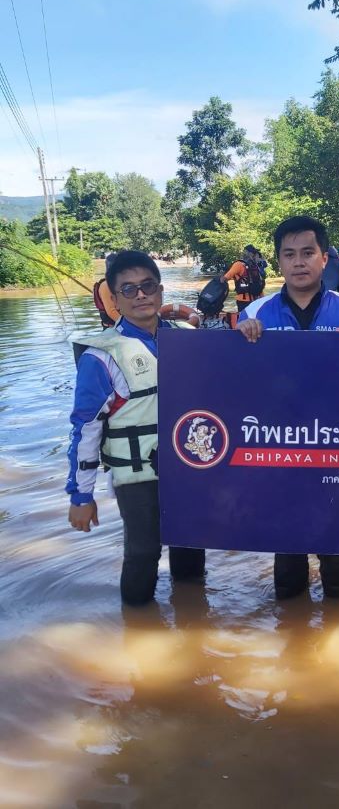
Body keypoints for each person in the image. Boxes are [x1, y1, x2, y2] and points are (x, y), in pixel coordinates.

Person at [237, 215, 339, 600]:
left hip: (335, 447)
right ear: (278, 261)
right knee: (287, 556)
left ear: (324, 259)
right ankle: (292, 628)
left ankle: (338, 630)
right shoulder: (253, 316)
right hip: (278, 450)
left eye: (308, 253)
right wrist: (239, 341)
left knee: (337, 554)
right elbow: (236, 382)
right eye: (289, 254)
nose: (299, 262)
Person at [66, 250, 206, 606]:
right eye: (128, 290)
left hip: (189, 467)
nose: (140, 295)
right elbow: (85, 429)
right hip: (137, 473)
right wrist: (81, 496)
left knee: (191, 550)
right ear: (114, 300)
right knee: (143, 553)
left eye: (147, 286)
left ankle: (195, 628)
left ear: (160, 292)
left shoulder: (188, 342)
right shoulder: (102, 356)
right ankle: (137, 628)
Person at [222, 244, 265, 312]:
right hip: (257, 300)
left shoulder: (239, 264)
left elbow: (224, 278)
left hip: (244, 301)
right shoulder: (256, 266)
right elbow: (259, 284)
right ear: (252, 254)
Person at [92, 252, 120, 328]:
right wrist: (128, 327)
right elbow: (111, 311)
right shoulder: (106, 286)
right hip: (113, 328)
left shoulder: (119, 283)